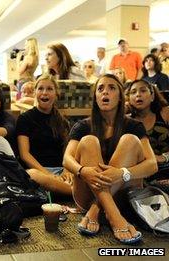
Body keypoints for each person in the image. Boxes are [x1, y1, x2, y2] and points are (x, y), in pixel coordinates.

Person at [63, 74, 157, 244]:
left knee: (130, 139)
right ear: (96, 97)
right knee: (88, 141)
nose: (105, 92)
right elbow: (67, 159)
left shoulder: (133, 126)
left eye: (112, 88)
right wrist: (83, 171)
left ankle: (96, 209)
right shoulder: (83, 126)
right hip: (86, 193)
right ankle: (115, 217)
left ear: (121, 97)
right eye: (100, 89)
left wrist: (122, 173)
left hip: (123, 195)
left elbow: (152, 164)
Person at [16, 75, 72, 196]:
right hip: (39, 172)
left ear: (56, 94)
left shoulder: (63, 121)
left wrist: (67, 171)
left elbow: (68, 152)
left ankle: (65, 190)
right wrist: (48, 175)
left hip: (61, 171)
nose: (44, 93)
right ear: (35, 92)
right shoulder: (25, 118)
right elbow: (24, 155)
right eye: (40, 89)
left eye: (49, 89)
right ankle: (74, 192)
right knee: (32, 175)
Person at [128, 79, 169, 180]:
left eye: (143, 91)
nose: (138, 95)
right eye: (133, 92)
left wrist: (164, 157)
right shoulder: (127, 121)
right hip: (141, 175)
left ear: (152, 96)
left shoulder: (165, 113)